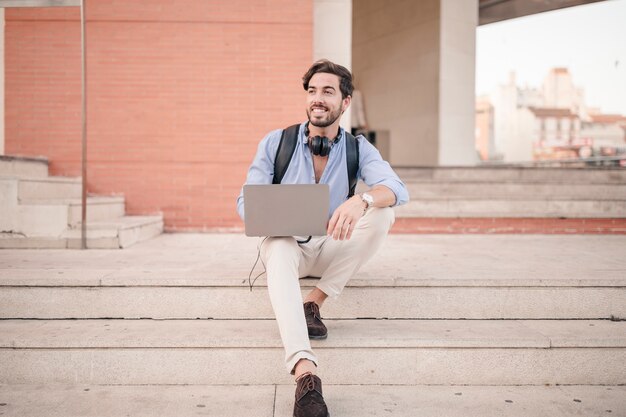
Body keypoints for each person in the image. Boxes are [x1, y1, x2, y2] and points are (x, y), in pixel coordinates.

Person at [236, 59, 409, 417]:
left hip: (331, 245)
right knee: (281, 247)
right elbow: (245, 201)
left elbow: (396, 188)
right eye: (312, 91)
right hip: (288, 248)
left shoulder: (357, 148)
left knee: (383, 213)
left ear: (345, 102)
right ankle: (305, 374)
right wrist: (275, 215)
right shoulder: (276, 142)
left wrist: (361, 200)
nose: (318, 98)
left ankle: (313, 301)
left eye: (328, 91)